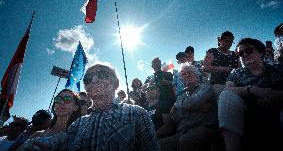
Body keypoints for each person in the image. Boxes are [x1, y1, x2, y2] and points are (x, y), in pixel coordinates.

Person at [23, 64, 160, 151]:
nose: (94, 81)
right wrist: (33, 144)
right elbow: (58, 141)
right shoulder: (79, 123)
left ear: (116, 84)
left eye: (102, 75)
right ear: (87, 89)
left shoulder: (136, 113)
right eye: (88, 79)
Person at [218, 38, 283, 151]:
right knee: (226, 97)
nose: (244, 55)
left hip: (278, 110)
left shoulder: (278, 69)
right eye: (240, 53)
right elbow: (228, 90)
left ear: (261, 52)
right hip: (246, 110)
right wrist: (252, 90)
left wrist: (275, 98)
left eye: (248, 51)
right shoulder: (236, 73)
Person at [158, 64, 219, 151]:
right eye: (184, 74)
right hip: (182, 132)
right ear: (181, 79)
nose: (187, 75)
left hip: (204, 128)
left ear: (196, 75)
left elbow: (195, 102)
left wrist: (177, 105)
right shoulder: (181, 96)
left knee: (185, 141)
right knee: (159, 145)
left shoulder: (205, 87)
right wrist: (195, 108)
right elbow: (175, 117)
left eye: (189, 72)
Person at [150, 57, 176, 129]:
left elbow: (175, 87)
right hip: (156, 105)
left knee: (169, 126)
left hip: (168, 102)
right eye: (155, 62)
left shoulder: (168, 74)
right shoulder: (151, 79)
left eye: (158, 62)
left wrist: (167, 83)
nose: (157, 63)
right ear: (152, 66)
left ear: (160, 64)